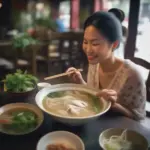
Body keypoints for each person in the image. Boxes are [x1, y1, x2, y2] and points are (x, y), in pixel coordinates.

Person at [66, 9, 146, 121]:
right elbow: (95, 96)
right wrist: (80, 82)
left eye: (95, 43)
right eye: (85, 42)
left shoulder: (132, 75)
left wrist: (114, 106)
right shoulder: (95, 63)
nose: (88, 50)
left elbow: (139, 118)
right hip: (96, 122)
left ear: (114, 45)